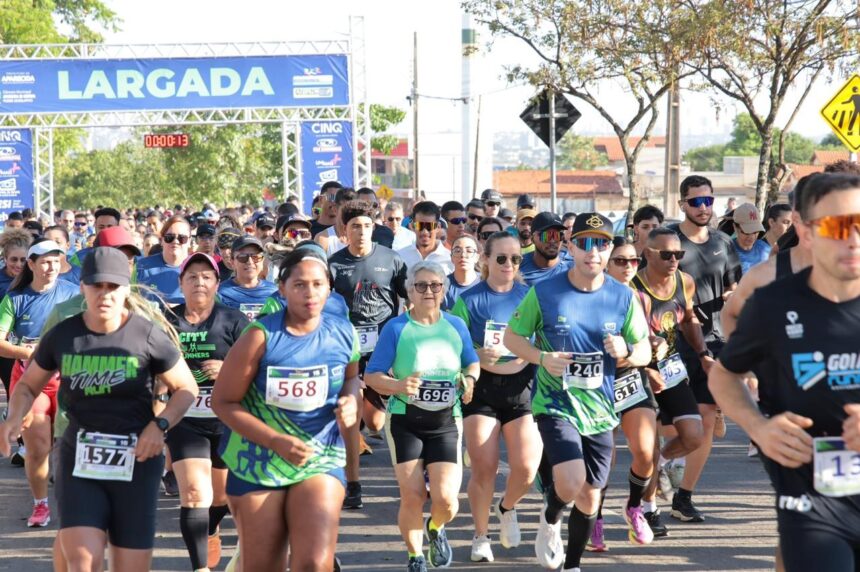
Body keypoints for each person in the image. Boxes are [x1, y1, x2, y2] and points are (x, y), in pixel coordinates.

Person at [0, 247, 197, 571]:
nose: (104, 294)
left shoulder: (147, 334)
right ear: (82, 287)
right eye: (96, 285)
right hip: (80, 457)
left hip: (137, 460)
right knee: (83, 559)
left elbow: (185, 388)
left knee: (130, 565)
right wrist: (13, 417)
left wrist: (159, 425)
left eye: (113, 286)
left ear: (126, 288)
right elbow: (27, 385)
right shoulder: (64, 334)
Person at [708, 173, 860, 572]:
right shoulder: (771, 295)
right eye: (840, 225)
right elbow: (723, 373)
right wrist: (758, 424)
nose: (854, 238)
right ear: (806, 232)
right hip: (811, 485)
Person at [504, 213, 651, 571]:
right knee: (570, 480)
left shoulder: (623, 297)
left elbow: (645, 348)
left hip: (600, 409)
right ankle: (551, 518)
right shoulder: (547, 292)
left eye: (601, 243)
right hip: (556, 403)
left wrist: (627, 352)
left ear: (610, 248)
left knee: (590, 496)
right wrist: (541, 358)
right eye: (584, 243)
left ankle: (572, 564)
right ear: (571, 247)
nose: (592, 252)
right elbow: (512, 337)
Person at [212, 247, 360, 572]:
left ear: (329, 288)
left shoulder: (344, 333)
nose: (310, 293)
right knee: (264, 565)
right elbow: (222, 402)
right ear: (282, 288)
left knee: (314, 563)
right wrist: (275, 441)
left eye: (318, 284)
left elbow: (351, 379)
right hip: (258, 460)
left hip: (318, 456)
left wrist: (351, 400)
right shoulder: (260, 336)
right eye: (300, 285)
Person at [365, 261, 479, 572]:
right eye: (421, 286)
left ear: (444, 290)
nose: (428, 291)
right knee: (413, 494)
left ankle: (436, 527)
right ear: (409, 292)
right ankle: (415, 556)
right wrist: (398, 385)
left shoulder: (455, 325)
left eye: (435, 285)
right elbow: (372, 375)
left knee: (447, 502)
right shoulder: (397, 328)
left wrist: (469, 381)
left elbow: (472, 362)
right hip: (405, 420)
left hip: (445, 422)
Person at [449, 231, 542, 563]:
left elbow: (543, 342)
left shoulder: (529, 295)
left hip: (523, 388)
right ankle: (480, 535)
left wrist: (528, 354)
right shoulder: (469, 300)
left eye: (515, 258)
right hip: (482, 389)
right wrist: (475, 354)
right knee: (484, 467)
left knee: (528, 468)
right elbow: (453, 346)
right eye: (501, 258)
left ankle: (508, 506)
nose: (508, 264)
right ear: (484, 260)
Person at [664, 175, 741, 522]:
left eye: (708, 200)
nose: (704, 207)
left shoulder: (724, 242)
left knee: (706, 421)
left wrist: (732, 298)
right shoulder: (671, 241)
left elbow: (733, 287)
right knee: (673, 426)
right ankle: (660, 471)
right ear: (682, 204)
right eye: (696, 202)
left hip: (714, 342)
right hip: (672, 344)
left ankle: (684, 497)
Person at [166, 252, 249, 572]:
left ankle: (212, 526)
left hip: (227, 421)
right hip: (185, 420)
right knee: (193, 492)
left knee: (220, 498)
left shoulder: (233, 320)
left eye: (206, 277)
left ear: (217, 283)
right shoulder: (167, 322)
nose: (199, 282)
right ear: (181, 283)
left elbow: (259, 366)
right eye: (192, 277)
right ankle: (200, 568)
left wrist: (228, 368)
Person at [328, 201, 408, 509]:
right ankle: (353, 485)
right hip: (348, 350)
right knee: (350, 418)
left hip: (383, 349)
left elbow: (408, 298)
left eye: (366, 226)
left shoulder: (391, 259)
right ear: (344, 231)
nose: (361, 232)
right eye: (354, 227)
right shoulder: (334, 264)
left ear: (373, 228)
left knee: (375, 423)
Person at [631, 228, 709, 532]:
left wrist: (703, 354)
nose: (674, 260)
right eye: (666, 254)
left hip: (671, 369)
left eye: (679, 254)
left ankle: (661, 465)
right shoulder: (633, 288)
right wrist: (650, 345)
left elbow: (689, 318)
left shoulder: (683, 281)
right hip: (638, 372)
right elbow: (636, 332)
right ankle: (648, 508)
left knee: (693, 436)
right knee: (646, 450)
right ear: (648, 254)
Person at [0, 239, 79, 527]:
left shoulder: (74, 294)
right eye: (44, 261)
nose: (51, 267)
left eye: (56, 261)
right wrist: (28, 352)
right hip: (31, 378)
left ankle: (79, 500)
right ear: (31, 264)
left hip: (72, 378)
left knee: (71, 443)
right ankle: (41, 504)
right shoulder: (15, 299)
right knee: (38, 445)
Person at [588, 237, 659, 551]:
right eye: (620, 260)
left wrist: (647, 351)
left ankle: (633, 507)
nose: (629, 267)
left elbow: (645, 339)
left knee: (646, 452)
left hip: (630, 377)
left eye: (634, 261)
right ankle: (595, 517)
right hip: (595, 381)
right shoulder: (586, 293)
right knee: (604, 457)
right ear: (605, 261)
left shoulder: (639, 297)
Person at [0, 229, 32, 428]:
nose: (18, 265)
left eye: (23, 260)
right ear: (4, 258)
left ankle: (23, 447)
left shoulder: (31, 279)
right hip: (2, 343)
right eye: (13, 259)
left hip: (20, 344)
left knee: (20, 391)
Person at [136, 215, 194, 305]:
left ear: (189, 241)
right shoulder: (141, 266)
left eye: (182, 238)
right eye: (169, 237)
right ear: (162, 240)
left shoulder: (200, 268)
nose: (175, 241)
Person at [217, 236, 277, 321]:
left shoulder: (274, 291)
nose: (250, 262)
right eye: (242, 257)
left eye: (255, 257)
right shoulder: (220, 293)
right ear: (232, 262)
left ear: (262, 260)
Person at [397, 201, 453, 274]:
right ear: (412, 226)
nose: (425, 232)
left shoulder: (450, 259)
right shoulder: (400, 256)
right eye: (420, 226)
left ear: (438, 227)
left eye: (429, 226)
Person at [519, 212, 572, 285]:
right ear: (532, 238)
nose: (552, 241)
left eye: (557, 235)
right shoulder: (518, 267)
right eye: (546, 235)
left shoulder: (573, 264)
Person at [316, 187, 358, 256]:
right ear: (335, 209)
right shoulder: (323, 238)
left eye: (353, 210)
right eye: (345, 210)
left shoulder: (364, 236)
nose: (349, 214)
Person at [443, 234, 480, 311]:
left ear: (477, 257)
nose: (463, 255)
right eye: (457, 251)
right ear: (451, 257)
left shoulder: (488, 283)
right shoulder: (442, 285)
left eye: (469, 251)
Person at [732, 203, 771, 274]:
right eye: (747, 232)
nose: (752, 236)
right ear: (735, 227)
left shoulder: (765, 249)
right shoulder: (726, 251)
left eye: (756, 231)